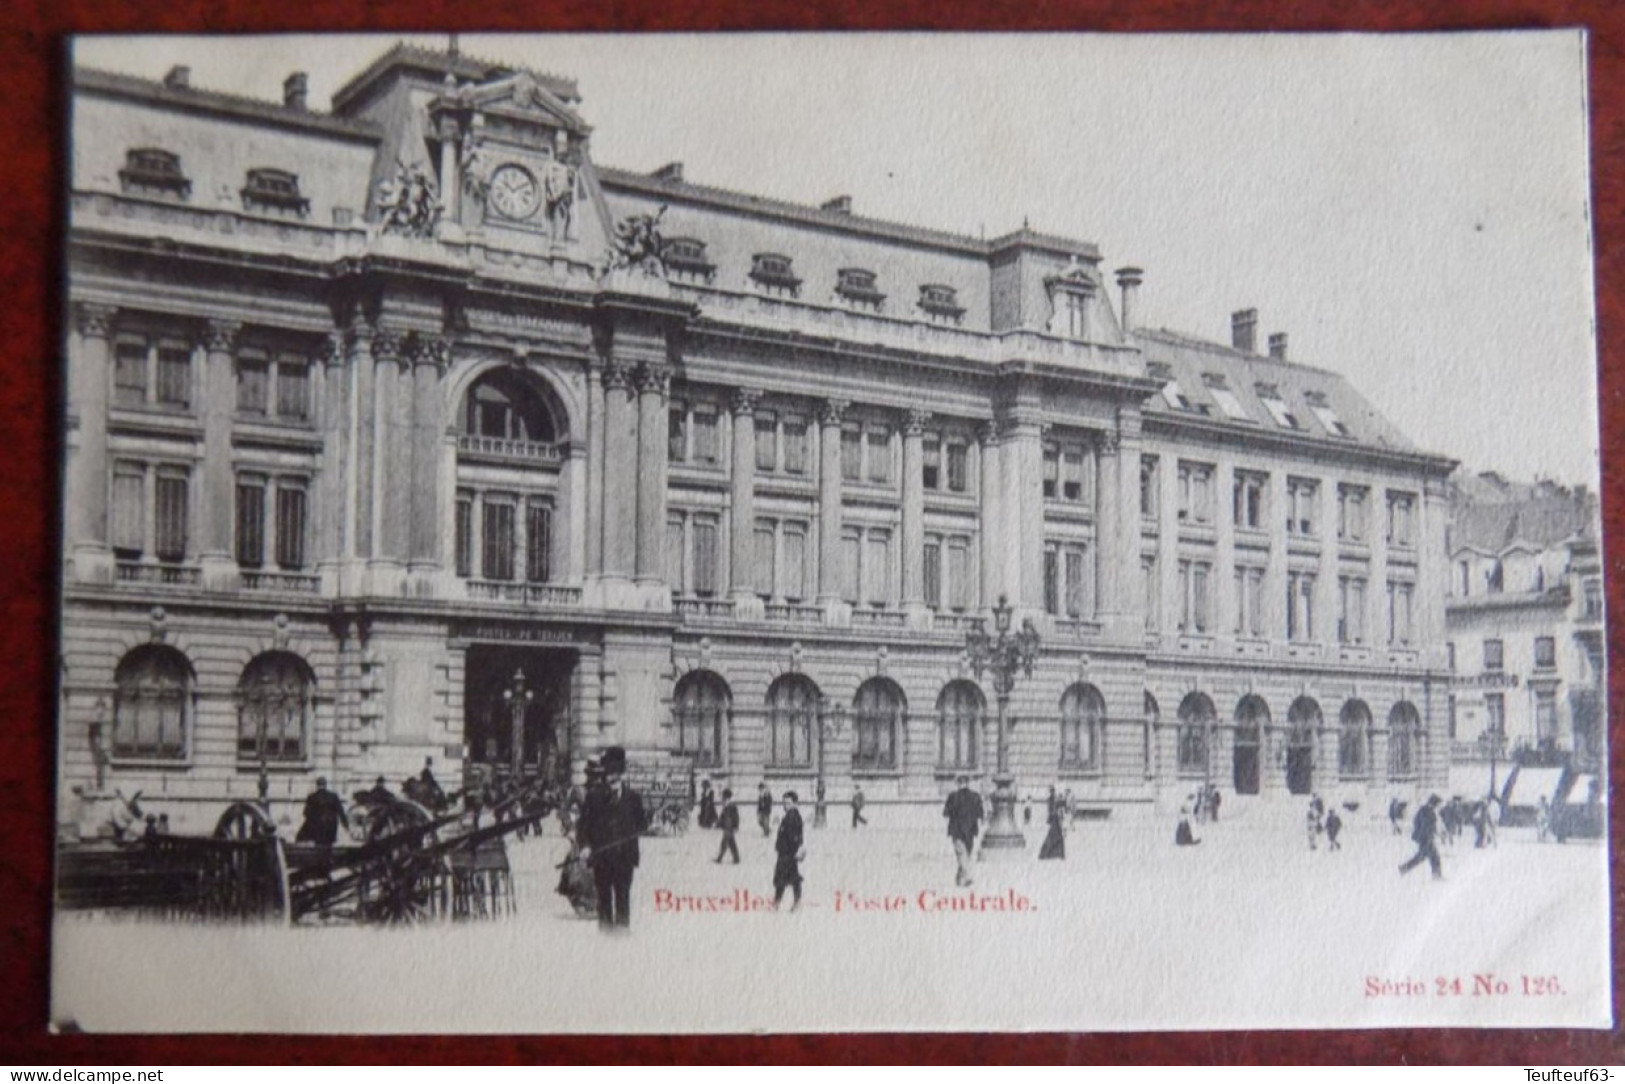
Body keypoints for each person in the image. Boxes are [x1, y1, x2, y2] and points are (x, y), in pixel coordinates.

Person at [577, 746, 647, 930]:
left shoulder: (633, 798)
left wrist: (645, 825)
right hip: (602, 859)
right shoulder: (594, 797)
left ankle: (622, 941)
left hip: (625, 859)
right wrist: (585, 846)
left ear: (622, 775)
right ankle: (605, 940)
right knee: (604, 901)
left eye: (616, 774)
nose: (612, 779)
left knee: (623, 899)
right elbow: (583, 825)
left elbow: (641, 825)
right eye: (609, 775)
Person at [942, 774, 984, 887]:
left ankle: (964, 877)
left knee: (961, 855)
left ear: (958, 783)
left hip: (957, 830)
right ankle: (963, 879)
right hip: (970, 831)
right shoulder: (976, 796)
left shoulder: (952, 797)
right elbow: (980, 814)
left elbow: (945, 814)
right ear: (968, 782)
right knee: (966, 854)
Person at [772, 791, 806, 910]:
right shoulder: (791, 815)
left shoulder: (792, 817)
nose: (785, 805)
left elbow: (793, 836)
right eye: (784, 803)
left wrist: (795, 850)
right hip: (788, 853)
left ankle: (778, 903)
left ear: (795, 803)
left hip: (787, 853)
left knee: (782, 879)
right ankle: (795, 901)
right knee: (792, 877)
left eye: (788, 803)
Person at [1399, 794, 1444, 880]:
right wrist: (1428, 835)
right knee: (1433, 857)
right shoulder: (1427, 811)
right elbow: (1426, 825)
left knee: (1423, 857)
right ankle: (1436, 875)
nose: (1439, 806)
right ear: (1434, 803)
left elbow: (1417, 821)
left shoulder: (1424, 809)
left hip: (1424, 837)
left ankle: (1403, 868)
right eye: (1438, 804)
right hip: (1426, 838)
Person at [296, 777, 348, 846]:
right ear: (326, 785)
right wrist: (346, 825)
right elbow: (341, 812)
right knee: (328, 848)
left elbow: (306, 813)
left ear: (317, 785)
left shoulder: (312, 797)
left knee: (318, 848)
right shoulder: (333, 796)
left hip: (317, 829)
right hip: (331, 828)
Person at [714, 787, 741, 864]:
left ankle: (719, 858)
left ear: (727, 798)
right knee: (731, 843)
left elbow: (736, 817)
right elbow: (722, 817)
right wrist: (718, 824)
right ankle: (736, 858)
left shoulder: (732, 806)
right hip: (727, 827)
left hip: (730, 827)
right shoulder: (726, 806)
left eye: (724, 798)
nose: (723, 800)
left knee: (724, 843)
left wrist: (736, 826)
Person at [1039, 789, 1067, 860]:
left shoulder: (1053, 800)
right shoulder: (1053, 800)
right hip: (1055, 820)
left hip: (1055, 820)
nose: (1053, 793)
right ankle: (1051, 853)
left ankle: (1056, 853)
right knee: (1055, 837)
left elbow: (1061, 805)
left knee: (1055, 837)